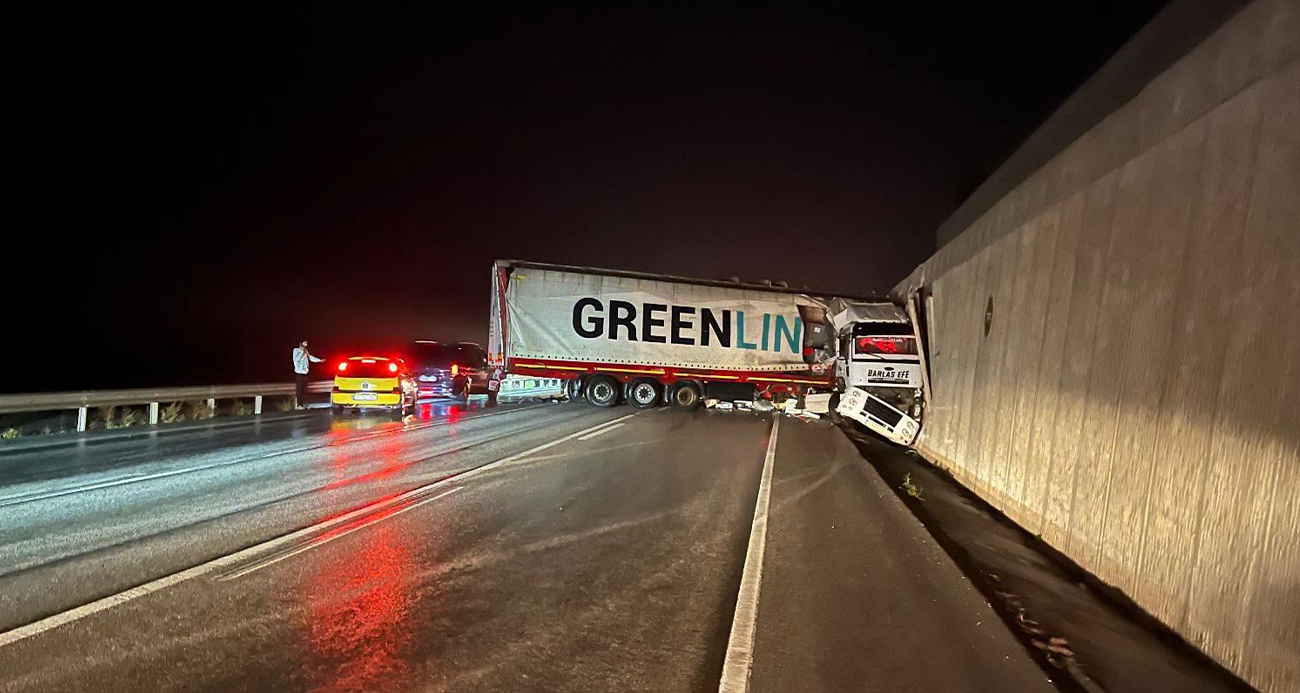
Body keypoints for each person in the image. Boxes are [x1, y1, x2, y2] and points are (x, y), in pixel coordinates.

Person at [292, 340, 324, 409]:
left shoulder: (305, 350)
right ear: (301, 343)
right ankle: (298, 404)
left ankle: (302, 404)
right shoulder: (296, 350)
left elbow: (310, 357)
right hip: (299, 373)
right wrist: (302, 351)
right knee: (299, 389)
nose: (306, 344)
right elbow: (297, 359)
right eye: (305, 342)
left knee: (304, 389)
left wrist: (319, 360)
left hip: (305, 373)